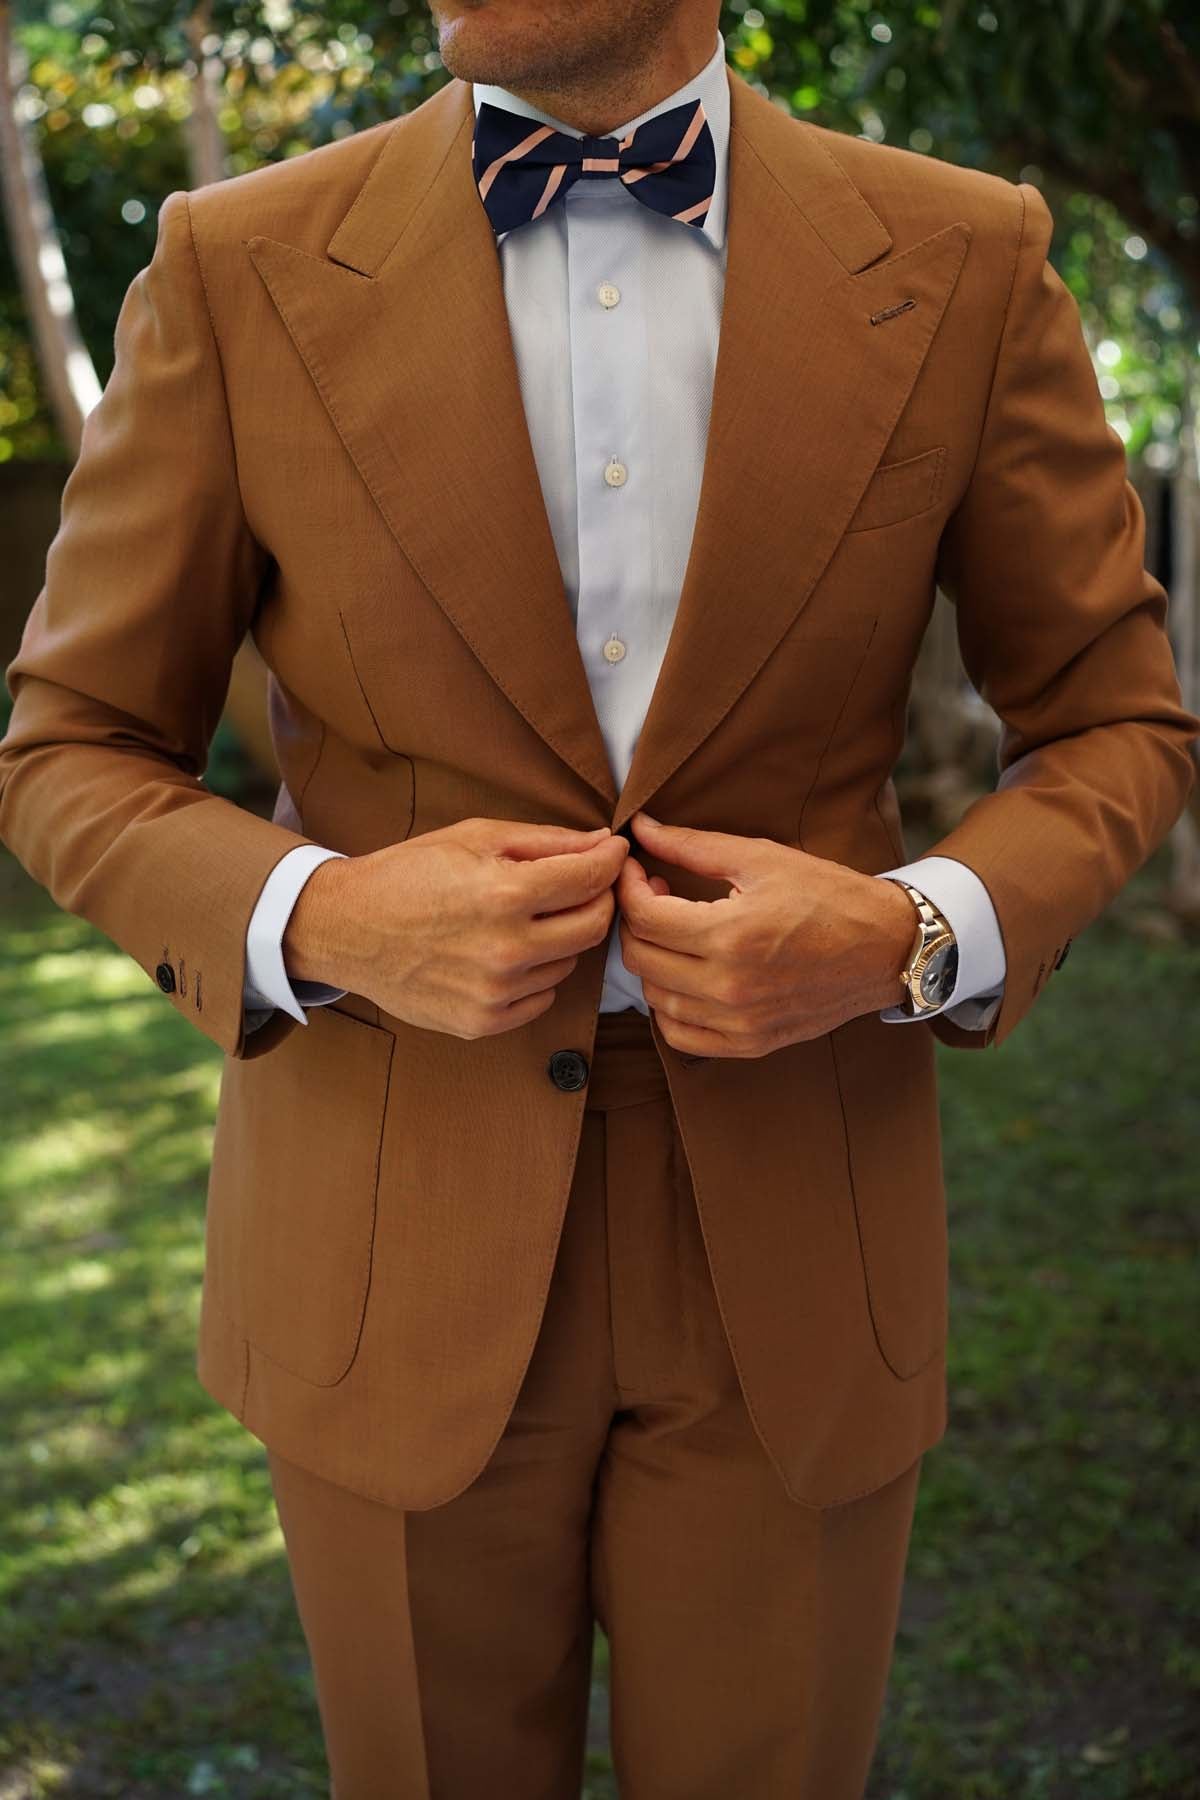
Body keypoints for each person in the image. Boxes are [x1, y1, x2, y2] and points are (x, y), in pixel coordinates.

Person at [1, 0, 1196, 1793]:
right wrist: (323, 915)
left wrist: (909, 932)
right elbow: (68, 747)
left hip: (801, 1225)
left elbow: (1117, 719)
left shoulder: (964, 255)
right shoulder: (236, 265)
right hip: (389, 1227)